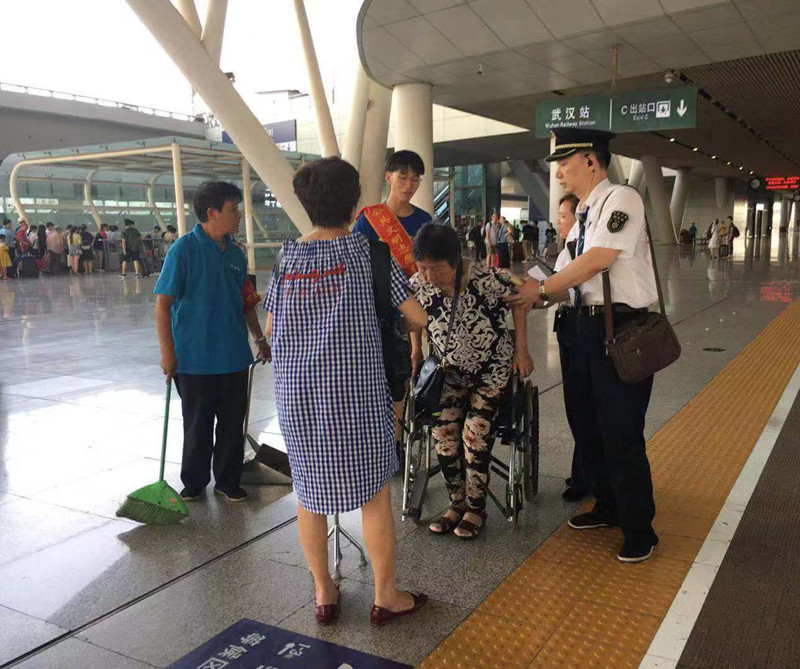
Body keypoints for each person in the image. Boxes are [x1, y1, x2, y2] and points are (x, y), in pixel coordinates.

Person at [264, 157, 430, 626]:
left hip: (298, 397)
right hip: (356, 395)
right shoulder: (367, 253)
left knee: (308, 494)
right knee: (374, 495)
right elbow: (417, 316)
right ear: (354, 202)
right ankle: (385, 596)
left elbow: (272, 327)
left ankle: (324, 592)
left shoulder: (288, 257)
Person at [509, 128, 660, 563]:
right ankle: (608, 506)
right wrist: (523, 291)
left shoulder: (621, 200)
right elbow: (561, 279)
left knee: (620, 431)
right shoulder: (583, 216)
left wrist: (541, 290)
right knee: (588, 427)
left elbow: (597, 261)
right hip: (581, 331)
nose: (559, 173)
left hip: (619, 329)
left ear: (591, 160)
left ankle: (640, 530)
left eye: (564, 163)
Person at [410, 223, 533, 539]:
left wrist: (521, 349)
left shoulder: (488, 279)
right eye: (422, 268)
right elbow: (410, 314)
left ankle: (476, 509)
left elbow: (521, 299)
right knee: (443, 433)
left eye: (436, 268)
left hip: (490, 374)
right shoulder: (419, 284)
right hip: (449, 375)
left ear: (455, 259)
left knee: (474, 434)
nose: (428, 276)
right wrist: (415, 351)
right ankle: (457, 503)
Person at [154, 181, 271, 503]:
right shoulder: (183, 250)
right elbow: (163, 303)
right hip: (194, 360)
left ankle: (228, 481)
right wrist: (167, 353)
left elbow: (246, 302)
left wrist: (259, 338)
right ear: (212, 212)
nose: (239, 216)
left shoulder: (235, 253)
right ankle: (194, 482)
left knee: (233, 425)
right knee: (197, 425)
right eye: (233, 210)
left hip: (234, 356)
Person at [353, 149, 432, 460]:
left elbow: (427, 277)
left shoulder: (424, 221)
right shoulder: (369, 220)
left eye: (415, 179)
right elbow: (357, 268)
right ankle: (376, 444)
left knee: (403, 379)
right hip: (377, 315)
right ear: (388, 177)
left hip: (416, 311)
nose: (409, 185)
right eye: (403, 177)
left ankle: (396, 445)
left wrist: (417, 342)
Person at [552, 193, 590, 502]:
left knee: (581, 404)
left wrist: (541, 291)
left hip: (578, 327)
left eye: (563, 216)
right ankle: (584, 471)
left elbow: (572, 288)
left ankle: (585, 476)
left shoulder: (581, 245)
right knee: (576, 404)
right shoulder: (569, 246)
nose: (558, 222)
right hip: (568, 326)